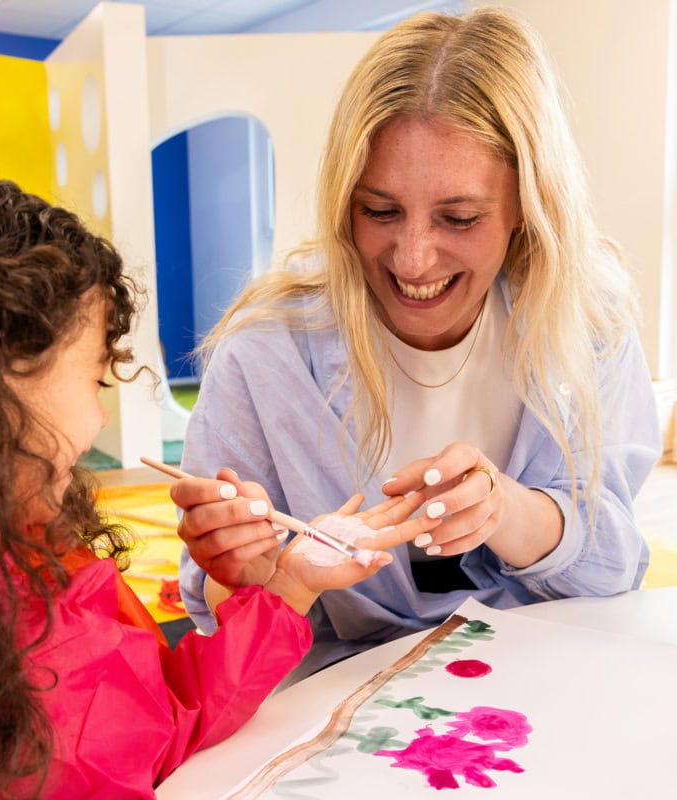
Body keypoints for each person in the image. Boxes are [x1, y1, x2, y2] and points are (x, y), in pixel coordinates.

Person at [0, 164, 422, 799]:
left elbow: (166, 715)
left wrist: (289, 583)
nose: (101, 416)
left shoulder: (35, 548)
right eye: (94, 377)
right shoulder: (11, 682)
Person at [177, 6, 662, 682]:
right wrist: (249, 579)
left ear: (529, 202)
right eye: (379, 210)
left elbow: (613, 566)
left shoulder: (590, 324)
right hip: (339, 701)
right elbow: (223, 634)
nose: (411, 259)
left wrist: (504, 509)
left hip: (545, 681)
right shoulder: (268, 354)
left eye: (458, 218)